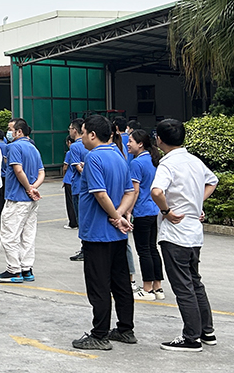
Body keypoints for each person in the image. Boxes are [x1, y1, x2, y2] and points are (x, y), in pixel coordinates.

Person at [149, 119, 219, 352]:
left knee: (183, 287)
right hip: (193, 233)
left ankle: (191, 337)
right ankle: (207, 331)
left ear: (159, 140)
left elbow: (156, 191)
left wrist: (166, 211)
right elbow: (213, 181)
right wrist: (196, 203)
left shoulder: (167, 164)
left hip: (175, 234)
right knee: (195, 282)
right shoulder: (194, 161)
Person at [71, 114, 137, 351]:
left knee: (99, 285)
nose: (81, 138)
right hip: (117, 234)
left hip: (98, 232)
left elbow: (100, 194)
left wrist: (115, 217)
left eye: (83, 133)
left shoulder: (93, 157)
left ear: (92, 135)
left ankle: (99, 334)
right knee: (121, 283)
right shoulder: (118, 155)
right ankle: (125, 329)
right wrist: (119, 215)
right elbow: (130, 191)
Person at [0, 118, 44, 283]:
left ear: (19, 132)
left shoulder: (13, 147)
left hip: (17, 198)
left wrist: (27, 188)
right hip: (31, 200)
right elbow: (41, 173)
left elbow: (18, 170)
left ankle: (14, 270)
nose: (8, 132)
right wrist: (33, 188)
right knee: (28, 235)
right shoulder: (33, 148)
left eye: (10, 129)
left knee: (9, 235)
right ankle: (26, 269)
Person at [126, 129, 165, 301]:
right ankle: (158, 287)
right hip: (154, 210)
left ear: (140, 144)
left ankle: (147, 288)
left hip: (142, 210)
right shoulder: (153, 159)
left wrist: (128, 211)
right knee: (152, 248)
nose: (128, 144)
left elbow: (134, 191)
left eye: (131, 141)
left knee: (144, 251)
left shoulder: (136, 163)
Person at [67, 119, 89, 261]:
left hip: (79, 187)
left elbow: (78, 168)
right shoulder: (90, 145)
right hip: (87, 188)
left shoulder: (75, 146)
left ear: (75, 130)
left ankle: (85, 249)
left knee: (81, 220)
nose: (69, 131)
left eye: (70, 128)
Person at [62, 136, 78, 230]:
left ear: (69, 142)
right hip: (77, 180)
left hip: (69, 179)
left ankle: (72, 222)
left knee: (70, 202)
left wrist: (64, 177)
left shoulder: (69, 152)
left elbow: (65, 167)